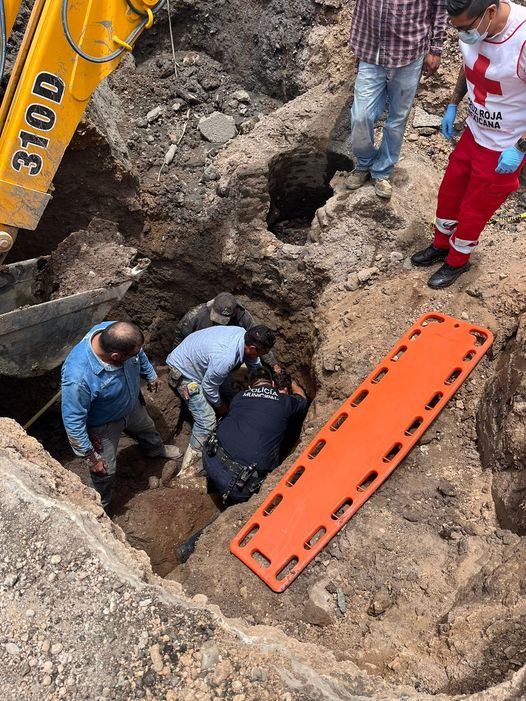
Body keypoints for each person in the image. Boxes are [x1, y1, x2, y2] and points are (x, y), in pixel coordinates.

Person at [412, 0, 526, 288]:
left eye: (466, 27)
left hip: (504, 146)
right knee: (450, 192)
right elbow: (470, 63)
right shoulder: (478, 28)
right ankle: (441, 244)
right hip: (474, 132)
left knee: (476, 207)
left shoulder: (522, 40)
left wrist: (520, 148)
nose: (462, 35)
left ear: (490, 11)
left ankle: (458, 261)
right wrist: (453, 103)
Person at [61, 321, 181, 510]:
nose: (138, 354)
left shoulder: (115, 332)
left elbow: (138, 351)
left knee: (148, 428)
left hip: (131, 406)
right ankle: (99, 506)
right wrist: (91, 459)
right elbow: (73, 423)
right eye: (132, 355)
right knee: (105, 471)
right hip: (103, 424)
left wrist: (150, 374)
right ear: (116, 356)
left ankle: (156, 451)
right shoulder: (78, 378)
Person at [346, 0, 447, 199]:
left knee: (397, 119)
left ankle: (382, 170)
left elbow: (440, 6)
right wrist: (358, 48)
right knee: (360, 116)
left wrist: (436, 48)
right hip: (370, 53)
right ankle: (364, 163)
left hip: (409, 54)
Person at [166, 325, 276, 475]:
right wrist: (220, 405)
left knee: (235, 391)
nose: (265, 355)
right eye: (264, 352)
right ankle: (187, 470)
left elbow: (254, 363)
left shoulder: (242, 333)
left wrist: (264, 382)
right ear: (251, 347)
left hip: (202, 363)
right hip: (184, 372)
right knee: (207, 421)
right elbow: (209, 387)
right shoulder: (225, 358)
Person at [202, 366, 307, 505]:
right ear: (273, 384)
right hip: (238, 486)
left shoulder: (239, 397)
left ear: (250, 387)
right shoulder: (285, 402)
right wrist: (293, 383)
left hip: (210, 458)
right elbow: (302, 398)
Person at [172, 292, 279, 370]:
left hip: (228, 359)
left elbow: (259, 340)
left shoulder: (242, 317)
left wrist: (273, 364)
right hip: (201, 359)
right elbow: (180, 336)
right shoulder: (196, 316)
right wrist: (176, 364)